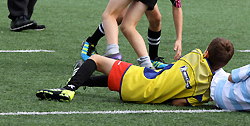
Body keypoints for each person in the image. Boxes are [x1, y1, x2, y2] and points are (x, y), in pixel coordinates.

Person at [36, 37, 234, 104]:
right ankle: (84, 80)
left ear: (206, 52)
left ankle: (69, 88)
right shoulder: (205, 91)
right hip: (143, 97)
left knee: (95, 59)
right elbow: (178, 102)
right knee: (118, 75)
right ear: (223, 65)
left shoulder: (196, 55)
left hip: (139, 79)